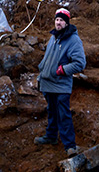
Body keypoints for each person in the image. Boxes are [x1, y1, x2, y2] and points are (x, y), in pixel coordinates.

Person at [34, 8, 86, 157]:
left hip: (61, 84)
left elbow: (80, 63)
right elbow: (48, 58)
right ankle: (51, 137)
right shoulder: (54, 36)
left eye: (62, 20)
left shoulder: (73, 40)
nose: (58, 22)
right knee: (51, 111)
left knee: (64, 114)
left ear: (66, 22)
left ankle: (70, 146)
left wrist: (62, 70)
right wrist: (41, 72)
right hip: (48, 82)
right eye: (57, 19)